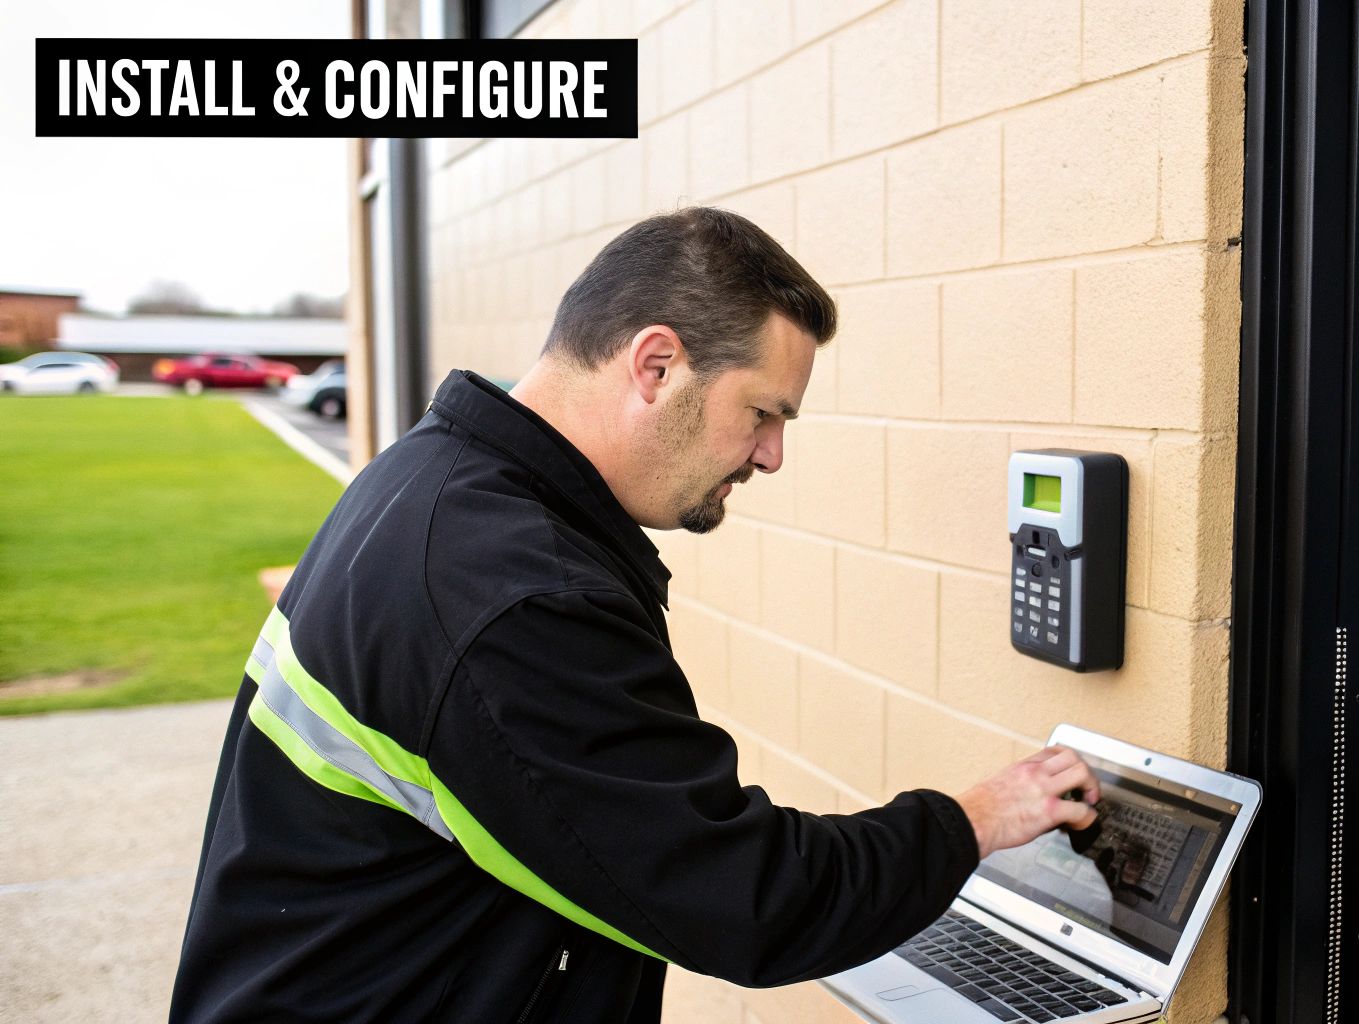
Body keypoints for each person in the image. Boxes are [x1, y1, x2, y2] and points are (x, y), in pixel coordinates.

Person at [169, 207, 1100, 1023]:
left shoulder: (433, 481)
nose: (771, 456)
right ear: (656, 364)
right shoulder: (515, 598)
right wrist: (975, 818)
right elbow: (745, 897)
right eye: (763, 413)